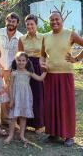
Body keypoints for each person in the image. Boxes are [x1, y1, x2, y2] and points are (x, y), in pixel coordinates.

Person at [40, 11, 83, 147]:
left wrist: (76, 58)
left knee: (66, 105)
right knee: (51, 105)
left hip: (65, 74)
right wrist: (42, 64)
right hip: (50, 75)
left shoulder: (70, 34)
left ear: (62, 19)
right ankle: (53, 133)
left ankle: (69, 135)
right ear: (49, 21)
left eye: (57, 19)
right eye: (52, 20)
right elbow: (42, 55)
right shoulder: (45, 36)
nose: (54, 22)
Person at [4, 52, 47, 147]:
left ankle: (22, 135)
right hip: (15, 97)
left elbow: (40, 78)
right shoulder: (13, 73)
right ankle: (10, 135)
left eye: (23, 60)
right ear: (16, 60)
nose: (21, 62)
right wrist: (11, 99)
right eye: (19, 60)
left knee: (23, 116)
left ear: (27, 61)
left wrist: (45, 71)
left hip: (25, 97)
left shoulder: (29, 73)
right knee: (12, 117)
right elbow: (10, 87)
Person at [18, 14, 44, 134]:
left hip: (38, 67)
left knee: (38, 96)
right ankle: (25, 123)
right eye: (27, 24)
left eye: (32, 24)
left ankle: (39, 125)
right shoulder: (22, 39)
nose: (29, 26)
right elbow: (19, 55)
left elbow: (47, 54)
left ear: (36, 24)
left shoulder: (43, 37)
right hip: (26, 67)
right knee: (26, 95)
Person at [0, 12, 23, 125]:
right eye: (9, 21)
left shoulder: (21, 37)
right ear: (5, 21)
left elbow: (21, 55)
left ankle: (5, 120)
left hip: (12, 69)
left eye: (13, 21)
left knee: (8, 94)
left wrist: (14, 69)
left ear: (17, 23)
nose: (10, 23)